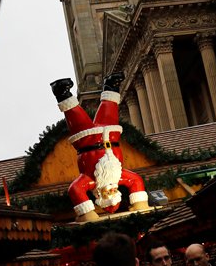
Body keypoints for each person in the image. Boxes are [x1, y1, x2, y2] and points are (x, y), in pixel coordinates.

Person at [50, 72, 149, 222]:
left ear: (98, 195)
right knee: (109, 109)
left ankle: (61, 93)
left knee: (75, 115)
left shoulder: (90, 180)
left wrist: (86, 212)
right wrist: (139, 203)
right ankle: (111, 85)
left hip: (87, 141)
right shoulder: (120, 176)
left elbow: (75, 189)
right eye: (114, 191)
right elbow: (136, 180)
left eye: (108, 193)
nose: (111, 189)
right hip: (110, 136)